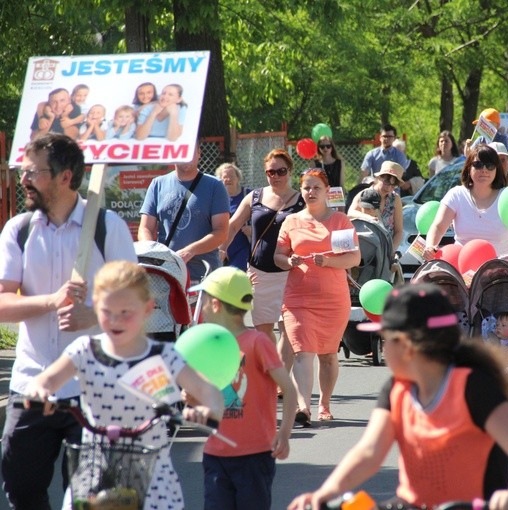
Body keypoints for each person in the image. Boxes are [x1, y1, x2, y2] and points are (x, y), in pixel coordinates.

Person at [287, 284, 508, 510]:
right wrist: (325, 493)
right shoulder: (397, 390)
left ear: (408, 346)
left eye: (386, 341)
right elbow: (368, 452)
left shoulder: (472, 386)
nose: (383, 350)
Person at [0, 133, 137, 509]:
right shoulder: (19, 231)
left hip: (95, 390)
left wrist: (94, 314)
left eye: (34, 172)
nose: (24, 178)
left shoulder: (108, 228)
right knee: (21, 491)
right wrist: (49, 301)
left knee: (89, 499)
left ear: (65, 177)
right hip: (33, 385)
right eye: (23, 170)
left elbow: (137, 304)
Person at [24, 261, 224, 509]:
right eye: (107, 311)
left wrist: (209, 408)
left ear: (148, 309)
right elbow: (47, 379)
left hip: (151, 476)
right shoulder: (85, 350)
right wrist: (39, 392)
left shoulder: (163, 356)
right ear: (96, 307)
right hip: (96, 470)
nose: (116, 320)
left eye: (126, 312)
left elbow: (207, 390)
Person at [187, 266, 297, 510]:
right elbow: (207, 399)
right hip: (216, 454)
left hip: (255, 456)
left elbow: (289, 390)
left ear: (215, 304)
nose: (200, 306)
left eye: (202, 299)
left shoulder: (257, 342)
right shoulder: (210, 346)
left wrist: (285, 433)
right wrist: (193, 400)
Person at [274, 169, 360, 426]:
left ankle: (324, 404)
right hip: (298, 298)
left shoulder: (339, 221)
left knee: (328, 355)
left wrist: (330, 261)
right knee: (302, 352)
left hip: (333, 299)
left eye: (316, 188)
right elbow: (278, 257)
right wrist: (289, 260)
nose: (310, 193)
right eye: (306, 188)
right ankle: (304, 407)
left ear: (326, 191)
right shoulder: (291, 221)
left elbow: (353, 258)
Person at [223, 149, 304, 351]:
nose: (275, 176)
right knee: (263, 329)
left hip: (290, 273)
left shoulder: (302, 200)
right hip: (259, 274)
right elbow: (233, 226)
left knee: (288, 329)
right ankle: (271, 372)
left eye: (281, 171)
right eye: (271, 172)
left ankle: (281, 378)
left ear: (290, 171)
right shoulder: (255, 196)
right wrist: (221, 248)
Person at [423, 144, 508, 263]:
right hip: (462, 267)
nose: (484, 170)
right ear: (468, 168)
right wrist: (430, 246)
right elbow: (438, 226)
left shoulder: (507, 196)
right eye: (478, 165)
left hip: (501, 270)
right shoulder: (456, 194)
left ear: (496, 170)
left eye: (490, 166)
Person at [138, 144, 230, 284]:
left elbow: (221, 232)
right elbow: (145, 228)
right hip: (166, 274)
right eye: (182, 150)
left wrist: (190, 251)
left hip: (204, 275)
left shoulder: (215, 186)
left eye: (191, 150)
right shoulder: (157, 184)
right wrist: (152, 253)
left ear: (199, 152)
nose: (187, 156)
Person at [347, 161, 404, 250]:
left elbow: (399, 231)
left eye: (393, 185)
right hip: (365, 245)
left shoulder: (395, 199)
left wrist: (391, 250)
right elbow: (350, 213)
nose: (389, 187)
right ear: (379, 178)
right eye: (386, 182)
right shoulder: (365, 194)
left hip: (385, 249)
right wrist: (369, 218)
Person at [216, 163, 252, 271]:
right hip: (221, 245)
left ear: (238, 178)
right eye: (224, 177)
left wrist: (253, 229)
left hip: (242, 246)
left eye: (231, 176)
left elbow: (260, 218)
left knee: (237, 274)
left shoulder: (248, 195)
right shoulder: (216, 197)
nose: (228, 179)